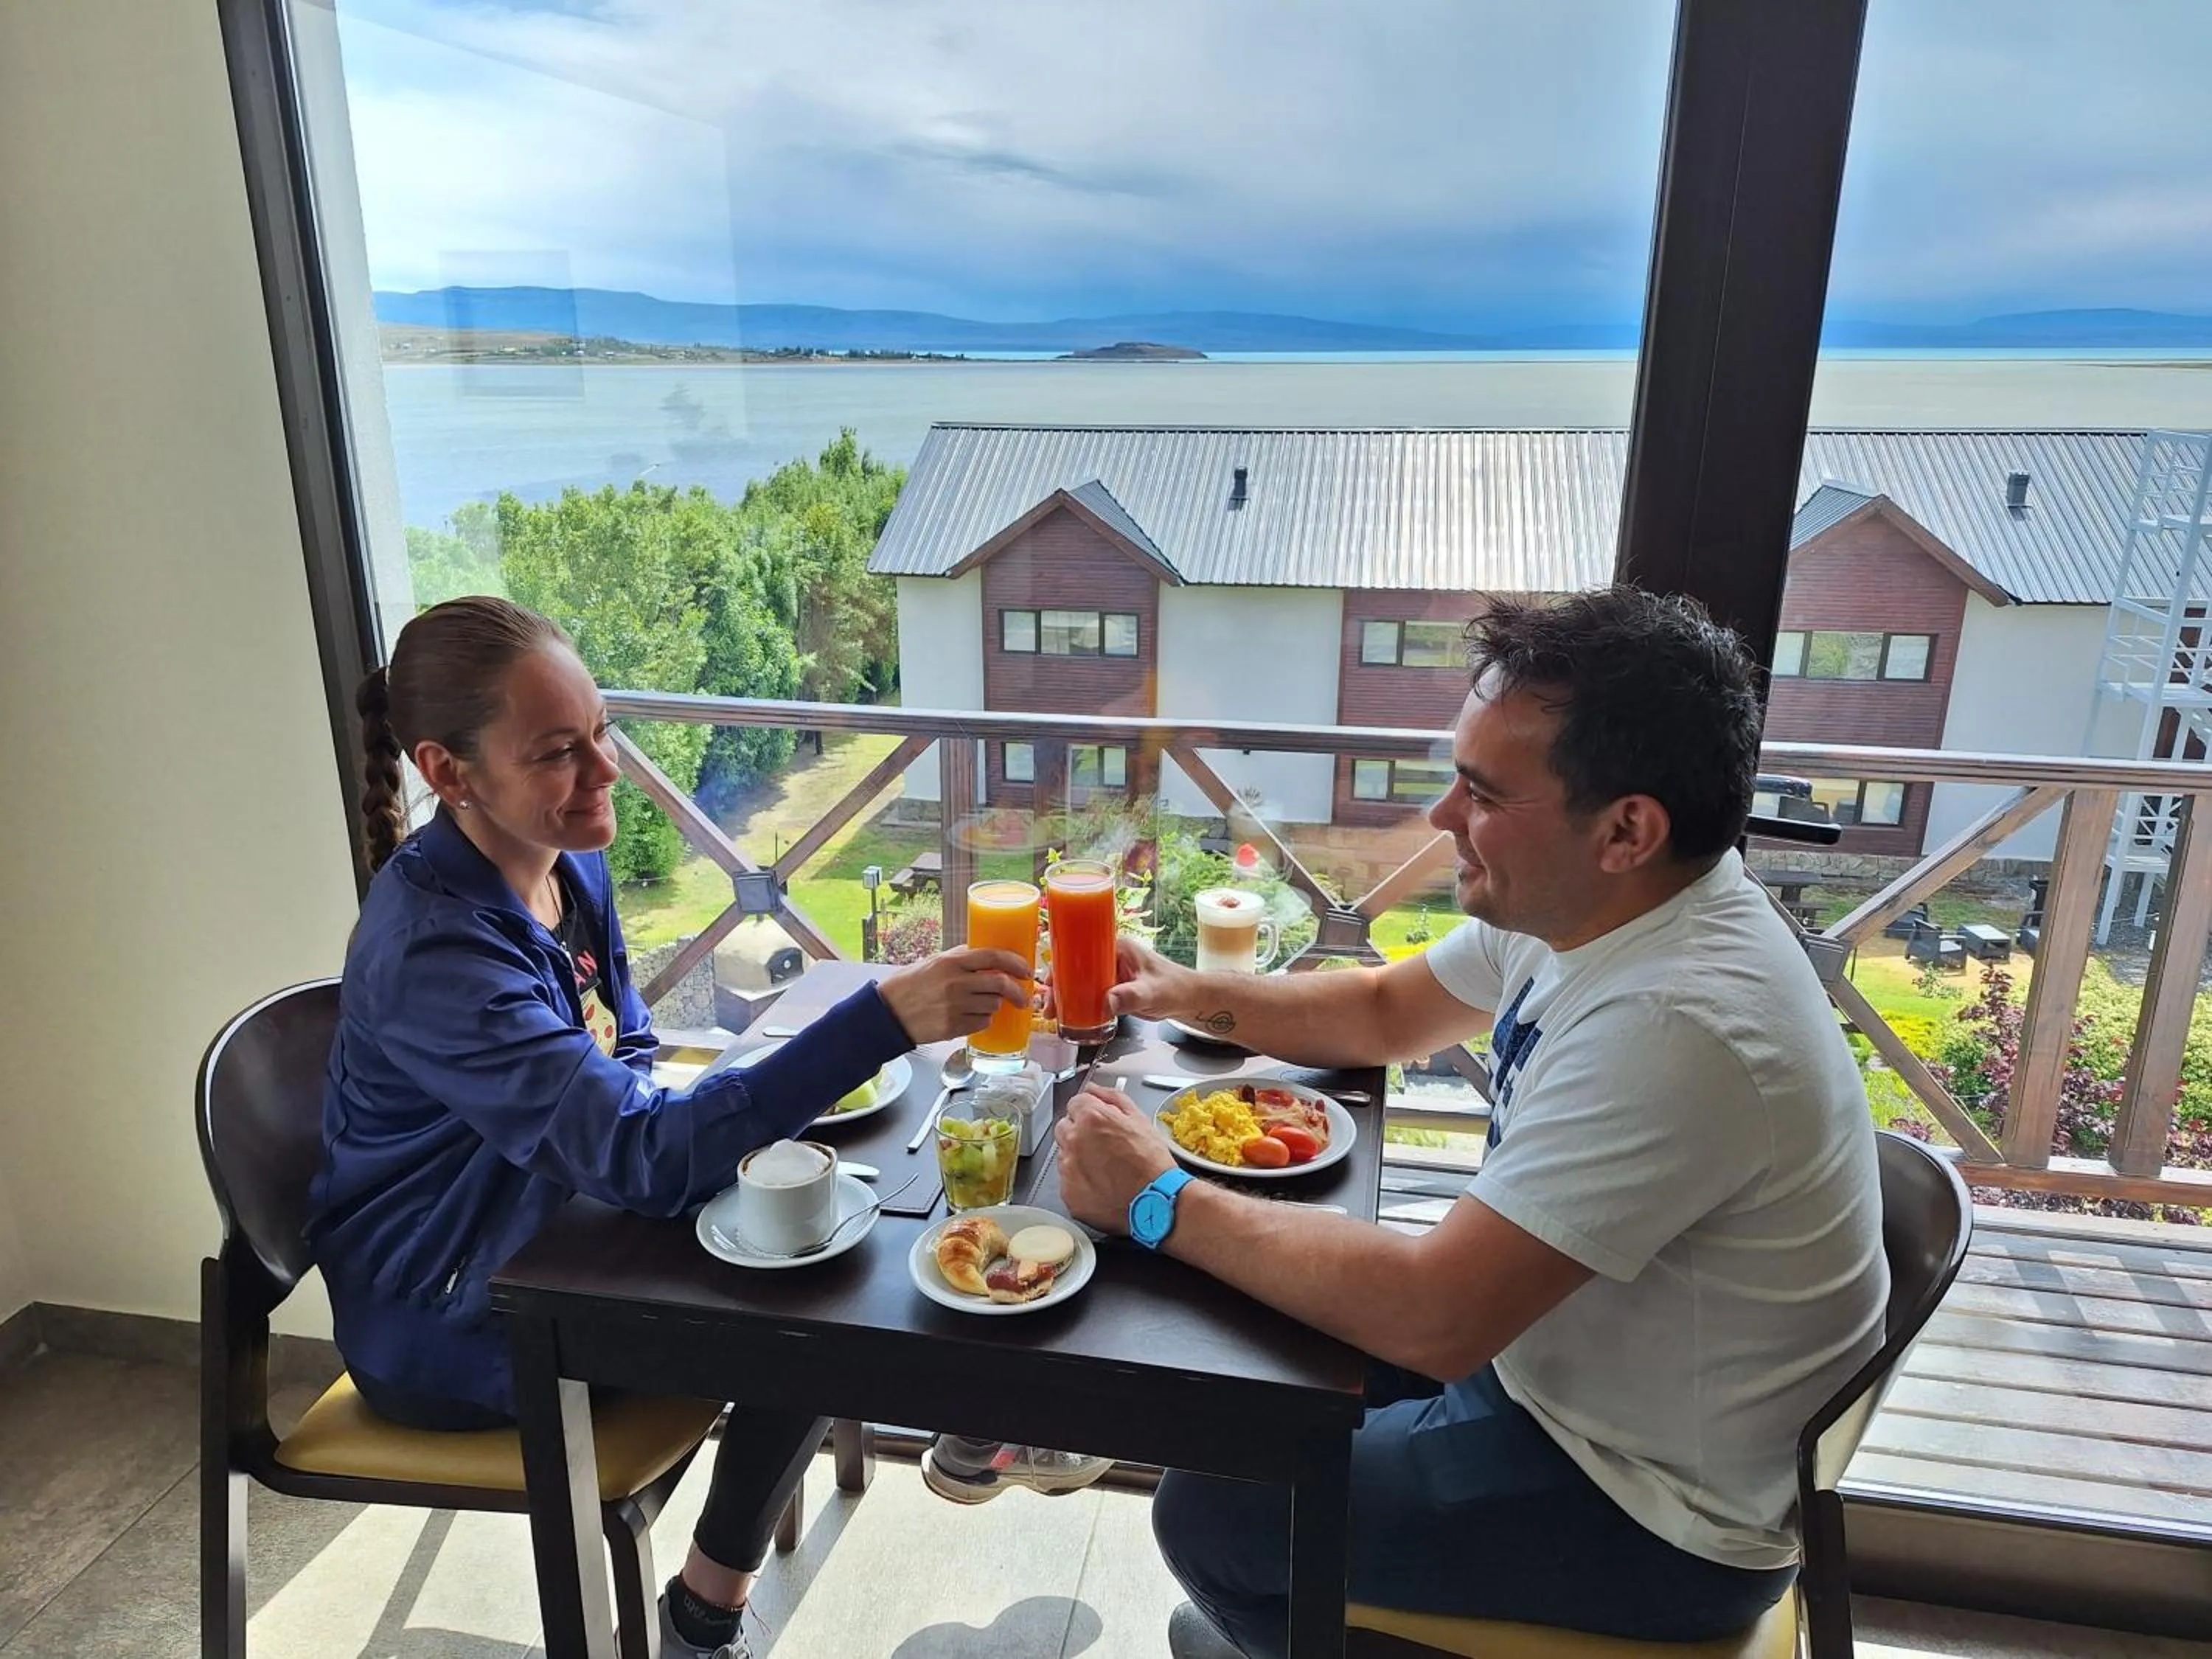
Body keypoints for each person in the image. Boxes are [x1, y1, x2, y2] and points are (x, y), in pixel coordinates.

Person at [1053, 587, 1890, 1659]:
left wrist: (1156, 1197)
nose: (1444, 816)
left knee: (1213, 1511)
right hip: (1552, 1369)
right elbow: (1384, 1011)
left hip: (1649, 1510)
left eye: (1483, 792)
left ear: (1627, 829)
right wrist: (1185, 992)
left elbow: (1435, 1315)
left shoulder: (1684, 1022)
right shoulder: (1598, 904)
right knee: (1246, 1381)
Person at [308, 596, 1040, 1659]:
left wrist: (691, 1121)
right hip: (453, 1314)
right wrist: (878, 1022)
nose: (605, 771)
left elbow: (629, 1050)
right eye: (558, 752)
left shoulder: (565, 861)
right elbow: (641, 1156)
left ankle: (715, 1597)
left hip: (567, 1224)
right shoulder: (434, 951)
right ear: (448, 771)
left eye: (601, 731)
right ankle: (715, 1616)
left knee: (826, 1229)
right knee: (812, 1295)